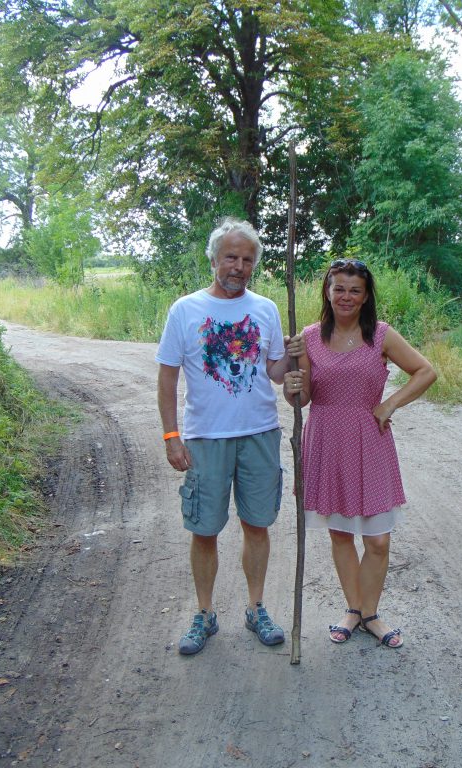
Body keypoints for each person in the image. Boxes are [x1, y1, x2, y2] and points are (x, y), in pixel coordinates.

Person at [156, 218, 303, 656]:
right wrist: (171, 435)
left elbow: (274, 373)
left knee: (257, 525)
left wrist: (292, 358)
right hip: (206, 438)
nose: (239, 266)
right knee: (204, 529)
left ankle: (256, 608)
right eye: (231, 257)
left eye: (247, 259)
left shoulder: (266, 309)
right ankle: (204, 613)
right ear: (214, 260)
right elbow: (167, 380)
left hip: (260, 433)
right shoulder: (185, 310)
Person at [283, 258, 436, 648]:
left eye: (355, 290)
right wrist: (292, 375)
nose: (346, 297)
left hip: (370, 440)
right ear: (327, 291)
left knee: (378, 539)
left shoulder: (381, 335)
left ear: (366, 296)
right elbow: (302, 399)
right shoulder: (310, 337)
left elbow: (426, 371)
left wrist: (390, 404)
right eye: (339, 288)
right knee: (340, 533)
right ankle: (354, 610)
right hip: (327, 439)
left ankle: (371, 613)